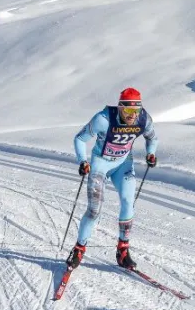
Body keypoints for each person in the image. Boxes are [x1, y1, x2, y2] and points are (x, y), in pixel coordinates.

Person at [66, 87, 157, 271]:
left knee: (127, 202)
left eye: (136, 110)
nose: (132, 115)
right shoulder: (103, 119)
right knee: (94, 210)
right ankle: (79, 248)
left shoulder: (144, 119)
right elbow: (80, 139)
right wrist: (82, 161)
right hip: (101, 164)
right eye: (128, 110)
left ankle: (123, 250)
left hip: (123, 164)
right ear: (120, 107)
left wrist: (151, 153)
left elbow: (152, 138)